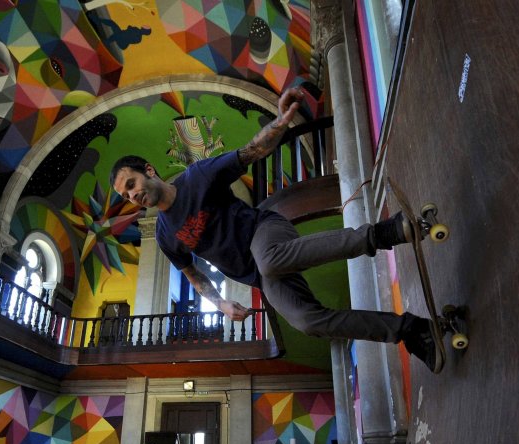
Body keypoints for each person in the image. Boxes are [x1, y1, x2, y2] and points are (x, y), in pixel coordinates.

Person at [110, 87, 443, 372]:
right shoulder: (167, 235)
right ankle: (411, 330)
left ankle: (385, 233)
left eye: (131, 183)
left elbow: (251, 151)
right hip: (261, 274)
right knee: (307, 322)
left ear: (149, 171)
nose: (133, 194)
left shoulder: (198, 177)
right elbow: (193, 276)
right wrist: (221, 304)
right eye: (126, 195)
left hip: (265, 231)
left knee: (269, 258)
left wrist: (279, 123)